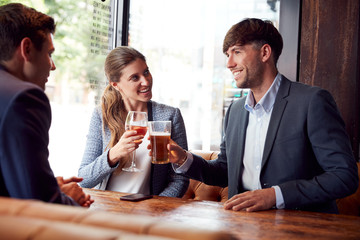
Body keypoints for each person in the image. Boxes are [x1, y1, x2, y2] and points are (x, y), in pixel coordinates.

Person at [159, 18, 359, 213]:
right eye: (227, 54)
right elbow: (224, 171)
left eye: (236, 52)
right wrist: (183, 158)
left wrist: (275, 195)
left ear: (264, 52)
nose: (229, 63)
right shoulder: (235, 111)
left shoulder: (312, 101)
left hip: (300, 228)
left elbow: (344, 177)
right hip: (241, 224)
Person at [0, 3, 93, 207]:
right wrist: (70, 200)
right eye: (49, 54)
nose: (53, 65)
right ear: (27, 49)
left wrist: (50, 186)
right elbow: (39, 203)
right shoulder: (23, 98)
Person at [78, 46, 189, 197]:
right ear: (115, 85)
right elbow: (83, 179)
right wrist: (113, 155)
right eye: (135, 78)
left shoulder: (170, 115)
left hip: (148, 212)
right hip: (108, 209)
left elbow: (180, 178)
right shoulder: (101, 115)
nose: (146, 81)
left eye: (146, 72)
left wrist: (157, 207)